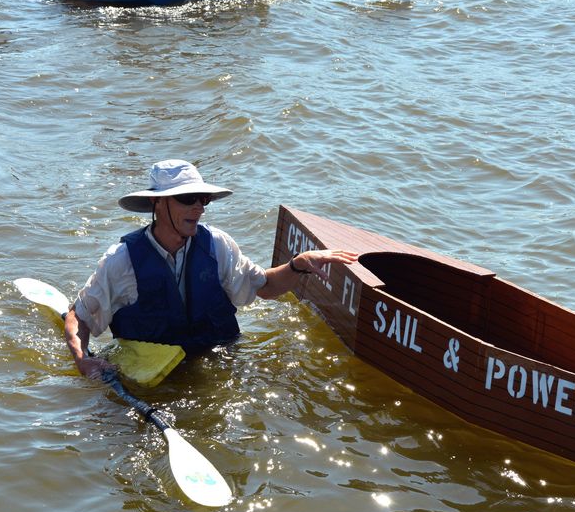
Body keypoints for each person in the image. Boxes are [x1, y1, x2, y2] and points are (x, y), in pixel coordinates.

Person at [65, 159, 358, 380]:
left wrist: (297, 265)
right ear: (157, 202)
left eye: (202, 199)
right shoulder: (121, 260)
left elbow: (265, 287)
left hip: (215, 359)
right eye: (187, 199)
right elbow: (80, 317)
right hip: (155, 376)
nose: (199, 208)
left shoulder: (217, 245)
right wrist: (82, 359)